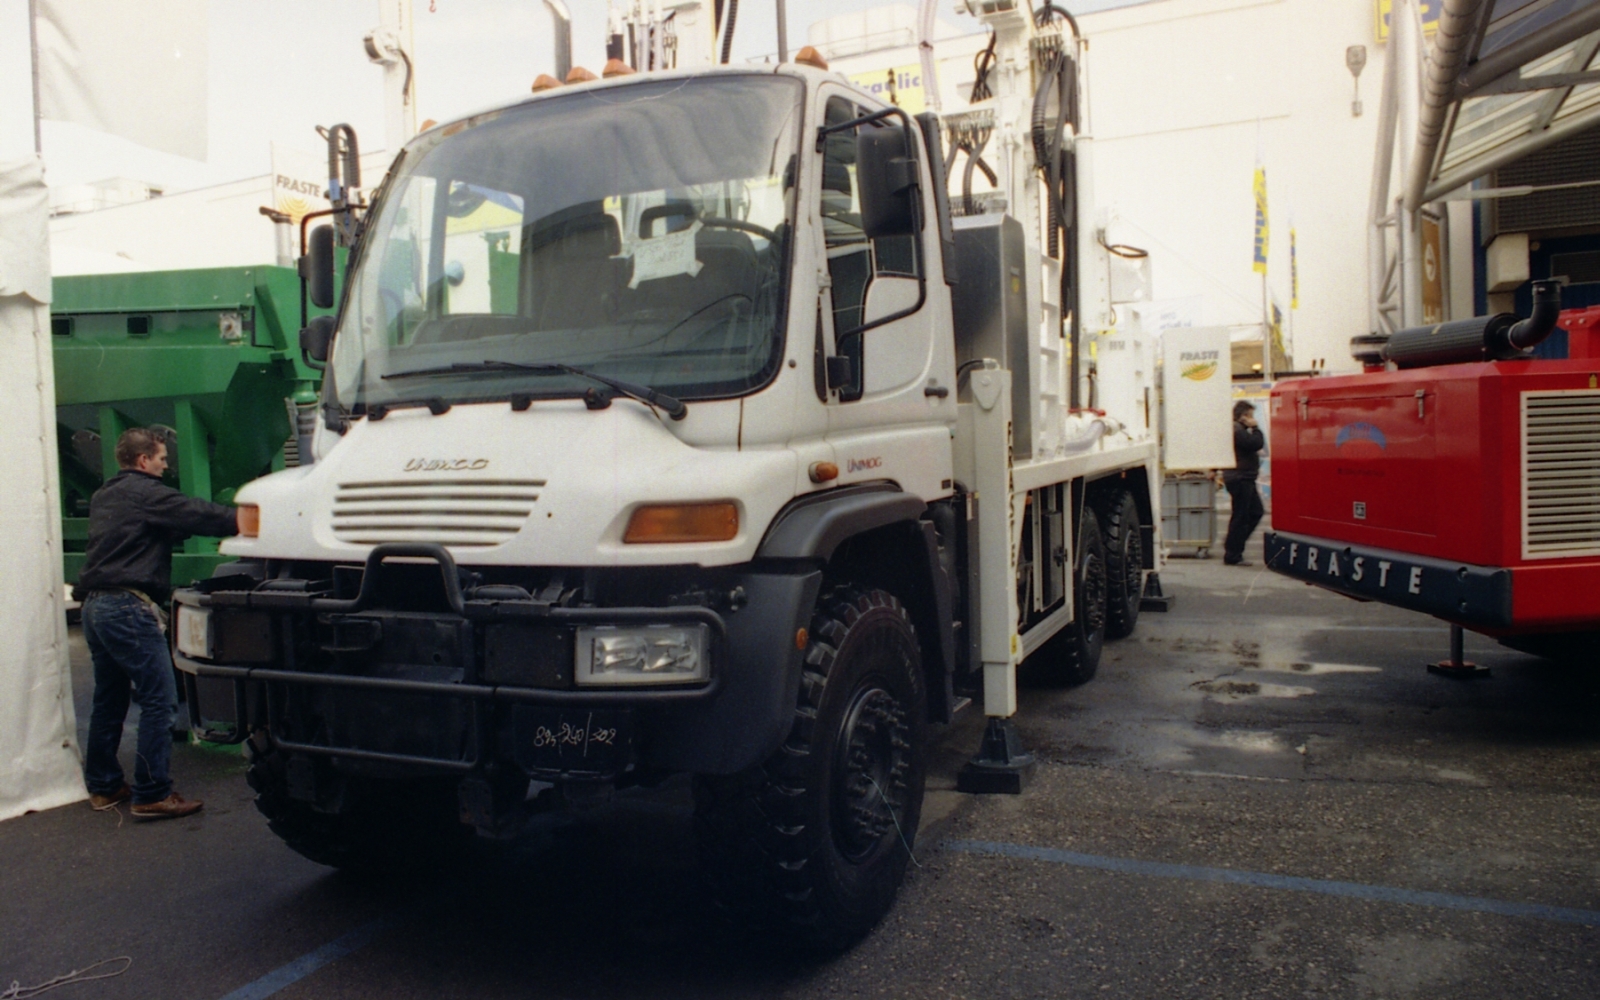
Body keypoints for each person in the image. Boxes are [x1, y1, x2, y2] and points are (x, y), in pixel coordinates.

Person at [76, 428, 240, 819]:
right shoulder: (145, 492)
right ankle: (151, 793)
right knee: (159, 700)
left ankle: (104, 786)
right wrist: (246, 517)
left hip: (95, 607)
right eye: (163, 459)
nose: (166, 467)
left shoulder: (106, 495)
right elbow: (197, 514)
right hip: (128, 609)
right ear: (144, 460)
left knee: (109, 700)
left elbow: (163, 525)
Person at [1222, 400, 1266, 566]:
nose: (1253, 418)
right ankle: (1233, 552)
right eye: (1251, 415)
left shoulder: (1236, 429)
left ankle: (1233, 544)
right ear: (1244, 416)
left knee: (1255, 512)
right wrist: (1255, 428)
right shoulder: (1238, 430)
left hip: (1243, 477)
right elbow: (1255, 443)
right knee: (1242, 515)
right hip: (1241, 477)